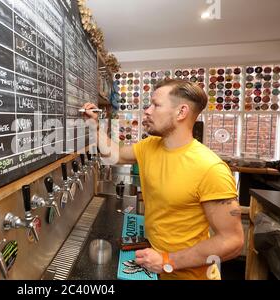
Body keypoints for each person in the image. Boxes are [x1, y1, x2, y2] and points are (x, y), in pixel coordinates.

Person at [82, 79, 244, 280]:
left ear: (181, 112)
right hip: (153, 266)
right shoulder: (150, 146)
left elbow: (233, 241)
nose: (147, 111)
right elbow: (113, 155)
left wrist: (168, 260)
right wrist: (93, 126)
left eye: (155, 105)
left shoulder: (210, 168)